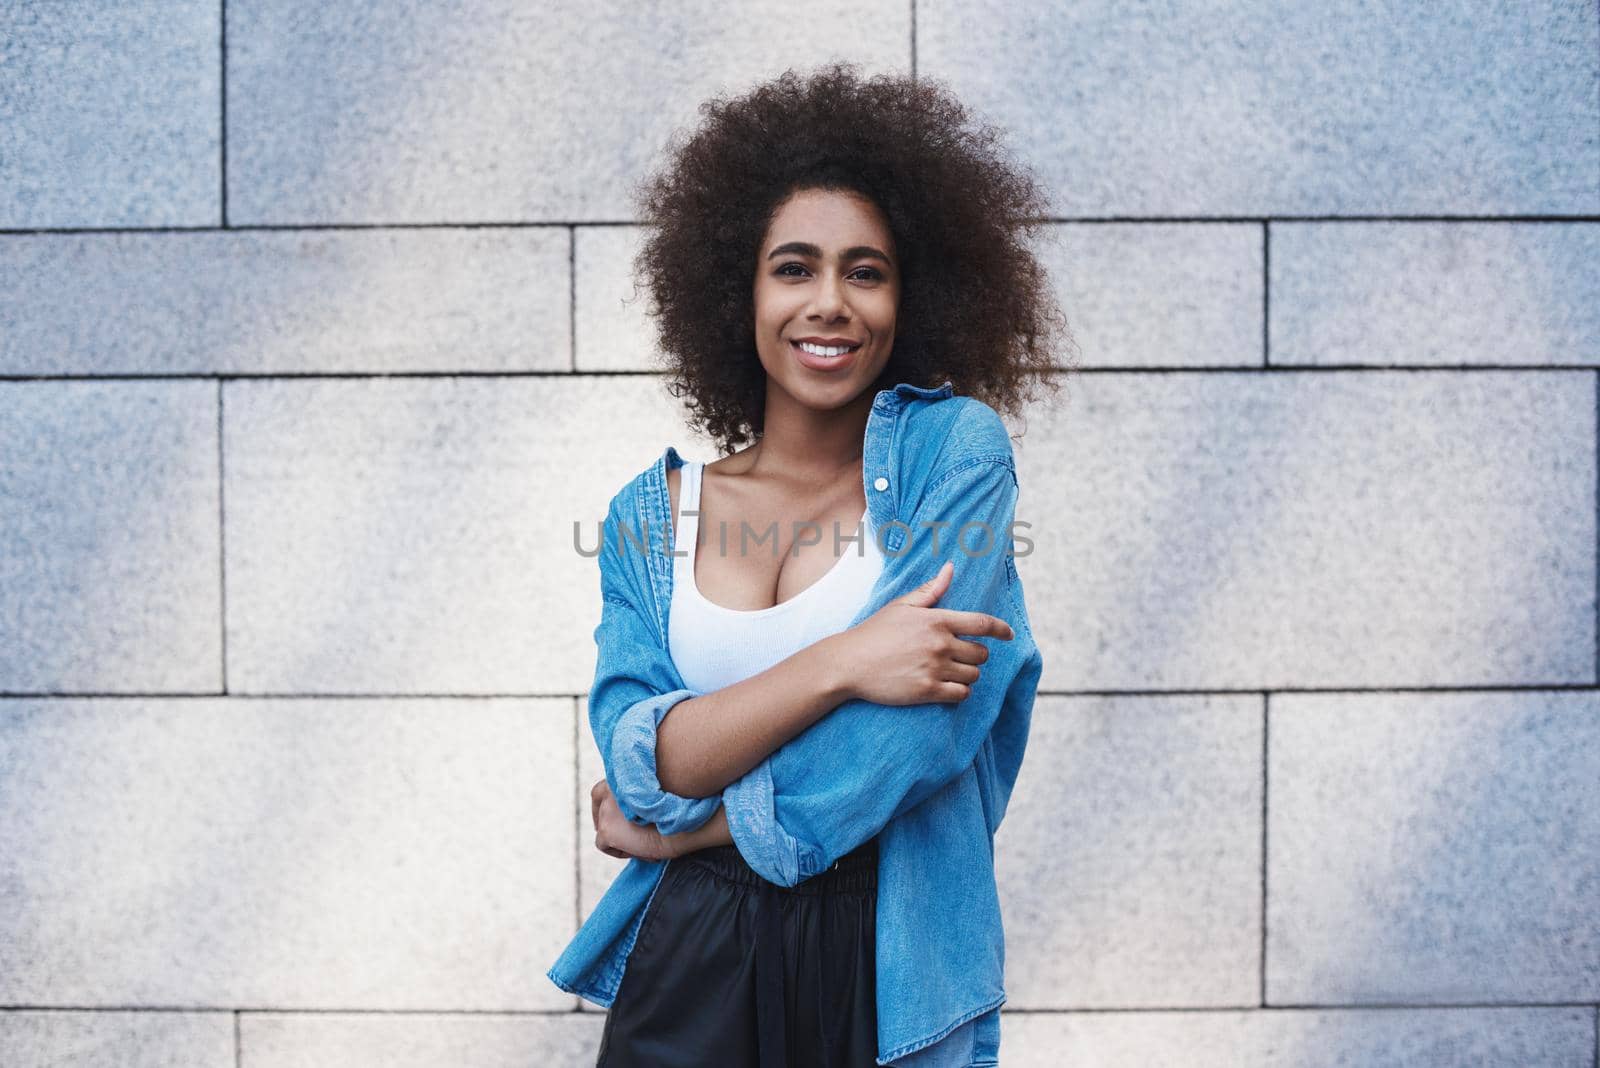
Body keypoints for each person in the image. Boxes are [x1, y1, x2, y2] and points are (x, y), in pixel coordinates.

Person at [548, 61, 1075, 1067]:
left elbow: (918, 738)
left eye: (864, 272)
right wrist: (840, 664)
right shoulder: (644, 516)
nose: (829, 303)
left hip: (888, 964)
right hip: (690, 955)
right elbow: (640, 760)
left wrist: (690, 832)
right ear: (736, 287)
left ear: (911, 294)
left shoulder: (952, 456)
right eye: (793, 267)